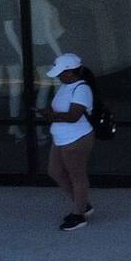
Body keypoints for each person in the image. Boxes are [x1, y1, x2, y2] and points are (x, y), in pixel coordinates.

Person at [41, 52, 98, 230]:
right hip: (60, 136)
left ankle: (79, 214)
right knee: (55, 171)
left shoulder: (82, 89)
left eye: (61, 73)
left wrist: (51, 116)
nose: (58, 76)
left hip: (77, 137)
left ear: (70, 72)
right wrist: (50, 115)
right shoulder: (65, 87)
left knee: (77, 176)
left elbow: (74, 116)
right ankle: (82, 204)